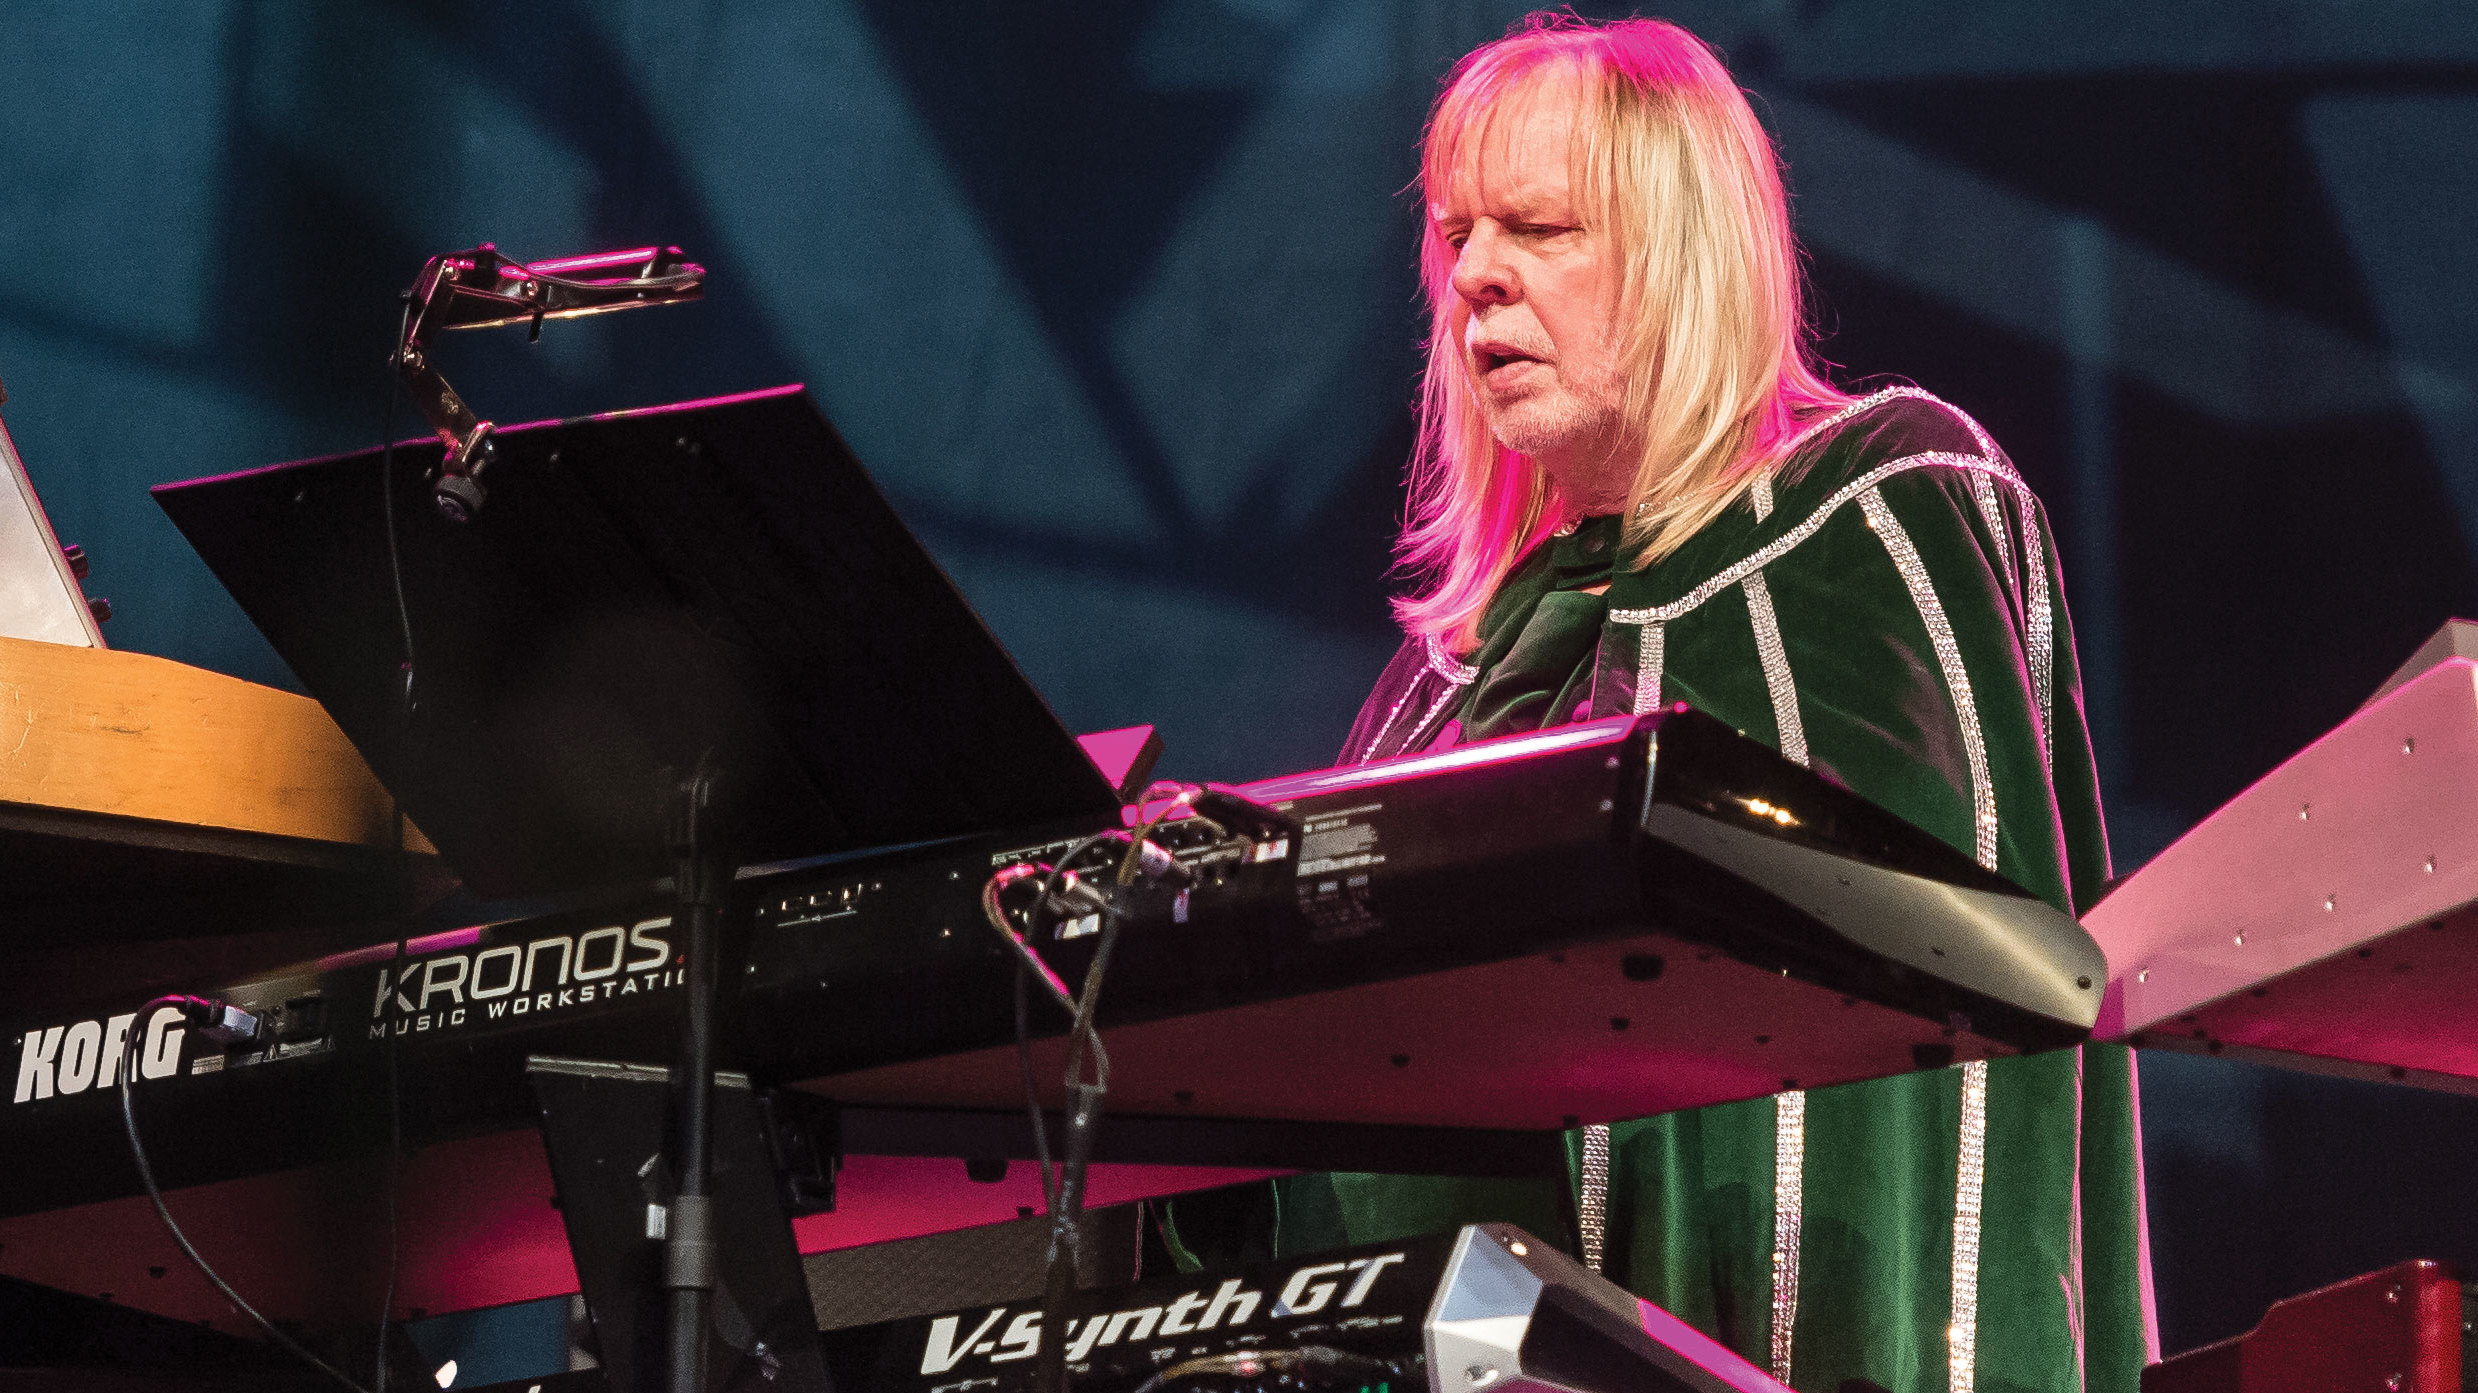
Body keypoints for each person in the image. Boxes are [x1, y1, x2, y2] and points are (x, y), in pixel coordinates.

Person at [1259, 15, 2151, 1393]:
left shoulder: (1876, 506)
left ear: (1679, 252)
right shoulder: (1434, 682)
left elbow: (1948, 1073)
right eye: (1455, 236)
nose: (1475, 278)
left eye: (1538, 226)